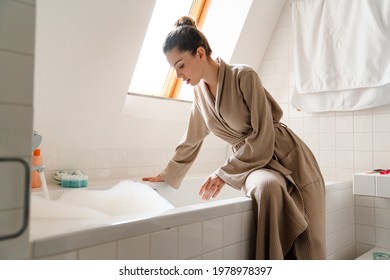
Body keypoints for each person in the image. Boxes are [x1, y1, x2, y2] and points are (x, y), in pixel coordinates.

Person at [142, 16, 326, 260]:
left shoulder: (244, 77)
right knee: (267, 187)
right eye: (173, 69)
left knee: (310, 245)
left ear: (199, 53)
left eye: (181, 65)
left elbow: (263, 136)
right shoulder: (199, 94)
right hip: (251, 164)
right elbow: (192, 138)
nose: (177, 75)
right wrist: (167, 176)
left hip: (288, 157)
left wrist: (223, 172)